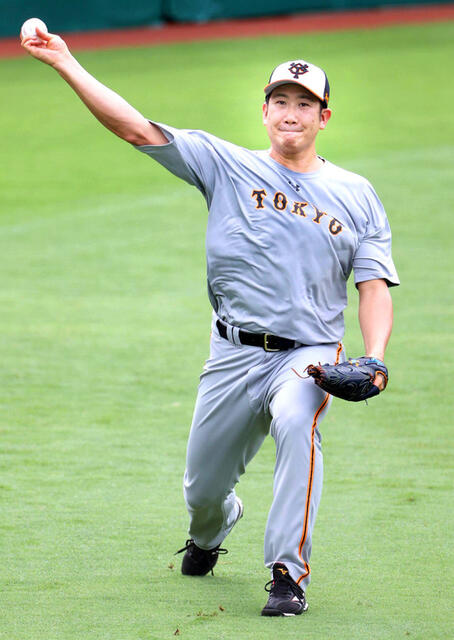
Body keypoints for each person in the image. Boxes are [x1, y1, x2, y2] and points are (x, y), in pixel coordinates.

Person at [22, 28, 399, 617]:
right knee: (202, 491)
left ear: (323, 117)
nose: (291, 112)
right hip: (231, 353)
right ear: (265, 111)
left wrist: (374, 357)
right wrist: (66, 62)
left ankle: (286, 573)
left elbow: (372, 286)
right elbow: (135, 128)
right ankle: (212, 529)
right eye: (280, 100)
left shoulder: (357, 194)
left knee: (298, 424)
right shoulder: (226, 164)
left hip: (308, 355)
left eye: (305, 104)